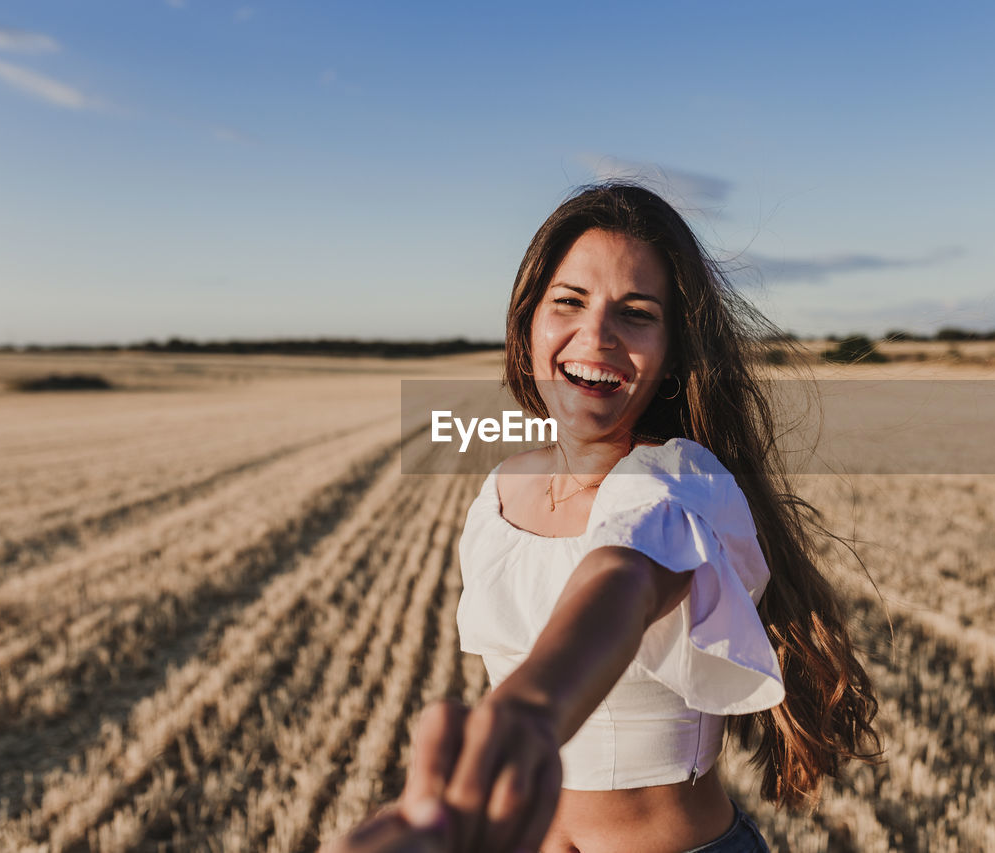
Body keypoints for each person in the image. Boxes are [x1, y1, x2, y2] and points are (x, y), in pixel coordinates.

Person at [324, 182, 881, 853]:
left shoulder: (680, 483)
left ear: (674, 351)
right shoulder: (498, 495)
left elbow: (619, 583)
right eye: (568, 301)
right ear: (527, 319)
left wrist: (530, 714)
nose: (597, 335)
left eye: (636, 312)